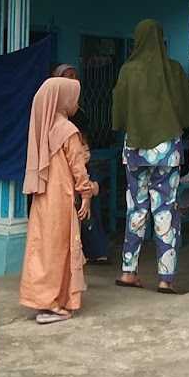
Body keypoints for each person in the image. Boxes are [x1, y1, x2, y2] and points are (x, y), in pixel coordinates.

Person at [112, 19, 189, 294]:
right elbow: (188, 109)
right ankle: (165, 278)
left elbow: (119, 112)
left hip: (135, 149)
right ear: (161, 41)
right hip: (168, 151)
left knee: (135, 209)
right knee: (166, 210)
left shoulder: (128, 71)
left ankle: (128, 271)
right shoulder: (172, 69)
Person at [19, 77, 99, 324]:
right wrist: (86, 193)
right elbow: (78, 168)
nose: (76, 101)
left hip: (42, 199)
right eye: (73, 96)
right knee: (59, 248)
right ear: (63, 99)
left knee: (43, 247)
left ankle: (41, 298)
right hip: (61, 197)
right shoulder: (67, 130)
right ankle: (54, 304)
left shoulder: (44, 128)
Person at [51, 63, 110, 264]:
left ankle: (95, 250)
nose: (72, 80)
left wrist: (83, 153)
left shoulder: (78, 111)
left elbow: (83, 140)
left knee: (91, 205)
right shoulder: (52, 116)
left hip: (81, 163)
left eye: (75, 76)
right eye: (67, 76)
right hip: (65, 171)